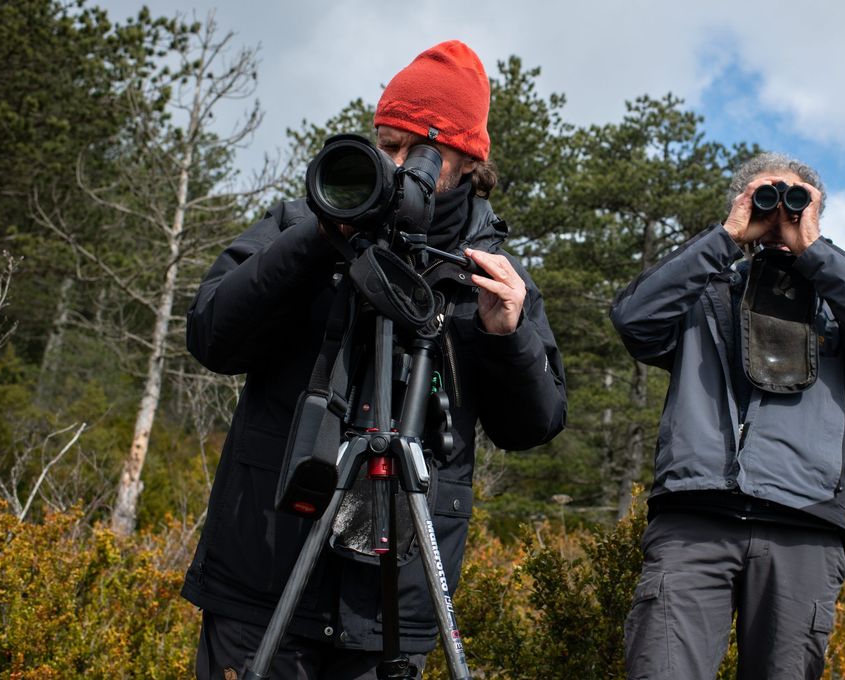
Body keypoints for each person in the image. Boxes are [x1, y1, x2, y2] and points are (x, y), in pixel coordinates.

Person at [182, 40, 567, 679]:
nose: (392, 166)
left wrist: (509, 334)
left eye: (413, 150)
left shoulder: (491, 275)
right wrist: (319, 238)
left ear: (468, 159)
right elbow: (212, 336)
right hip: (264, 577)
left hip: (389, 606)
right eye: (383, 144)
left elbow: (534, 425)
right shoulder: (304, 225)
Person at [611, 152, 845, 679]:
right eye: (765, 197)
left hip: (803, 524)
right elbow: (634, 320)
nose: (779, 213)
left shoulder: (839, 306)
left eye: (796, 202)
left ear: (817, 215)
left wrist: (815, 253)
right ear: (740, 205)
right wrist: (726, 238)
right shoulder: (702, 294)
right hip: (695, 518)